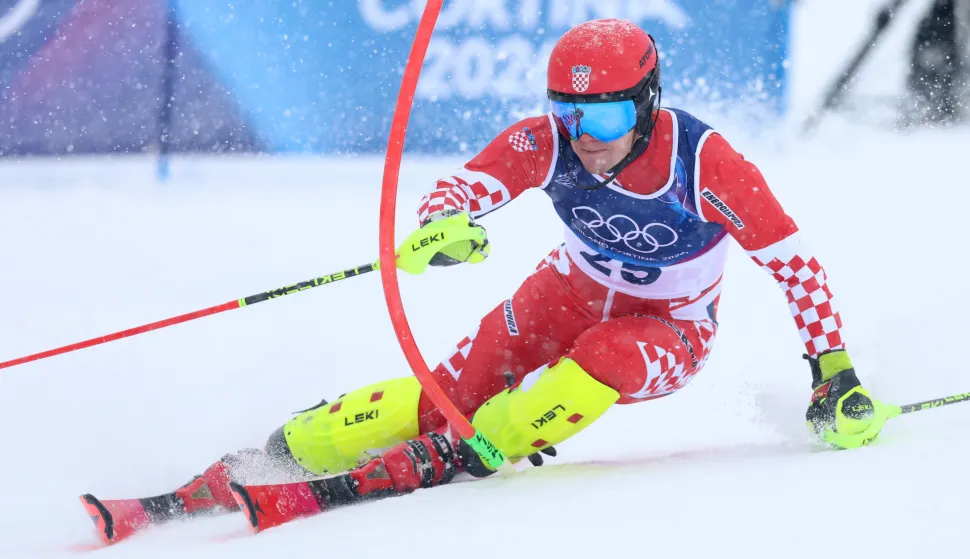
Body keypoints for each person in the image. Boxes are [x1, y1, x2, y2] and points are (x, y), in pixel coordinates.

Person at [85, 18, 892, 540]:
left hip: (669, 327)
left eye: (606, 118)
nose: (585, 140)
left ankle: (478, 446)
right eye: (571, 118)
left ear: (647, 105)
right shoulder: (548, 140)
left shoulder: (703, 161)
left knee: (593, 363)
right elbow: (466, 188)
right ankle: (279, 452)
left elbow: (795, 264)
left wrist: (834, 374)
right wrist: (447, 227)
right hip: (569, 285)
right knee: (447, 391)